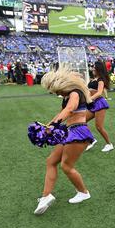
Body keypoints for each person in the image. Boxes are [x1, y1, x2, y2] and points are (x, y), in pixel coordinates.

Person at [34, 66, 94, 215]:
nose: (57, 94)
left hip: (78, 131)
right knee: (51, 161)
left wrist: (53, 126)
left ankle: (83, 192)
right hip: (70, 131)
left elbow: (69, 110)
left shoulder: (75, 93)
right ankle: (46, 196)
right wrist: (48, 126)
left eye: (56, 90)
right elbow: (62, 112)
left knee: (66, 166)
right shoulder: (68, 95)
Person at [85, 61, 114, 152]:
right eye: (92, 67)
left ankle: (109, 144)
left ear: (98, 69)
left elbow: (99, 92)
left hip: (99, 103)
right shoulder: (93, 79)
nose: (92, 69)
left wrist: (90, 99)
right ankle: (91, 140)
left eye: (94, 67)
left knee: (99, 126)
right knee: (82, 121)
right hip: (92, 104)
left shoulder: (100, 80)